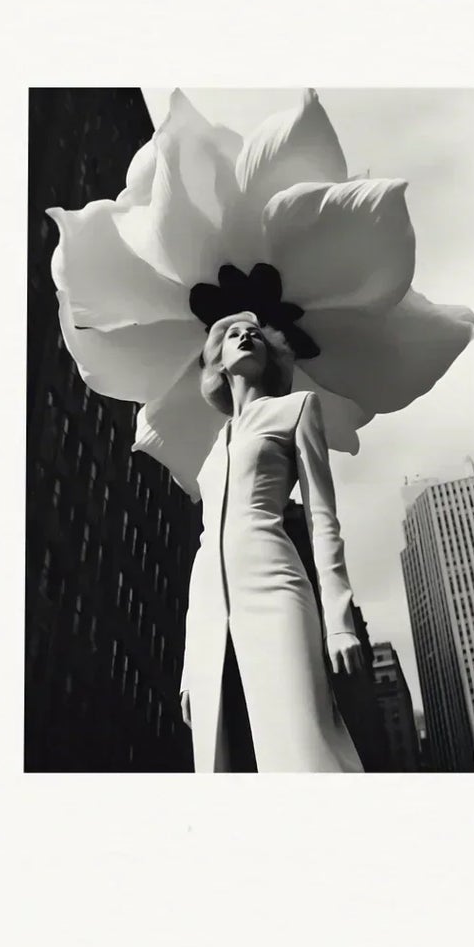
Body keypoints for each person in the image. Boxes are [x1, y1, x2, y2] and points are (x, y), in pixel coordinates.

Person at [178, 312, 368, 773]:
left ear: (270, 358)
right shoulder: (214, 447)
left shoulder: (297, 408)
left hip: (276, 585)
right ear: (218, 362)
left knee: (303, 740)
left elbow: (323, 517)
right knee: (219, 757)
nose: (245, 337)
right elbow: (206, 547)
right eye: (233, 335)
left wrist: (339, 619)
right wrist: (190, 662)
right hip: (210, 608)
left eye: (256, 336)